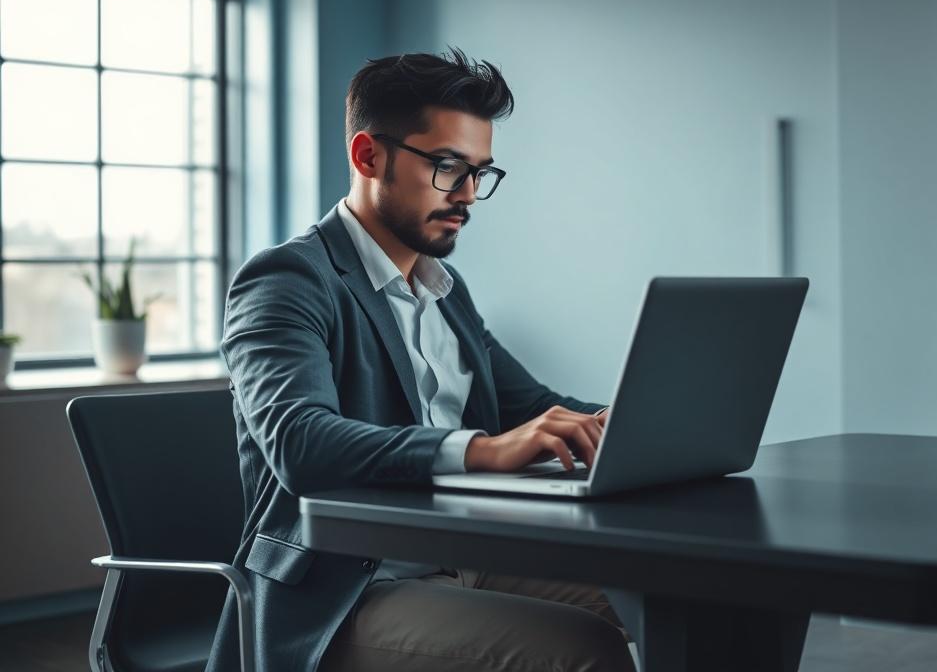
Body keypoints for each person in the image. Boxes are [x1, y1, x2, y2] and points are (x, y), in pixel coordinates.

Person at [205, 48, 634, 672]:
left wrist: (635, 423)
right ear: (367, 156)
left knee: (697, 598)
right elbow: (301, 444)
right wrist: (482, 449)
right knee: (582, 649)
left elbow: (536, 408)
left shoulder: (444, 290)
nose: (468, 195)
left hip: (470, 563)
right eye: (446, 167)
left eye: (479, 172)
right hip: (345, 591)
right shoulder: (287, 279)